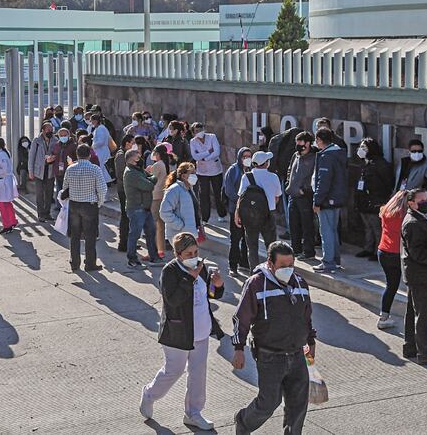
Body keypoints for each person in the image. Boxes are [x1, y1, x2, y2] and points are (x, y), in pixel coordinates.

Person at [140, 232, 224, 430]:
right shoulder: (170, 272)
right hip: (177, 332)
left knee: (198, 373)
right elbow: (173, 300)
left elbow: (209, 294)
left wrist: (218, 286)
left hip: (201, 330)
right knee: (174, 370)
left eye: (196, 252)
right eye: (188, 253)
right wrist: (189, 278)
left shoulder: (200, 268)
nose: (194, 256)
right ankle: (150, 394)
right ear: (178, 254)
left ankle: (193, 413)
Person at [232, 242, 315, 435]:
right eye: (283, 266)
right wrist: (238, 348)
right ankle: (243, 421)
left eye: (291, 265)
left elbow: (306, 316)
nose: (288, 270)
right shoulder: (256, 284)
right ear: (270, 263)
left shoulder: (300, 284)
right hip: (270, 356)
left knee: (298, 404)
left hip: (297, 354)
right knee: (268, 403)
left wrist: (311, 340)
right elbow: (241, 318)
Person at [401, 188, 427, 365]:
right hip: (421, 274)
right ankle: (426, 354)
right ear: (411, 203)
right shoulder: (412, 223)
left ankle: (410, 347)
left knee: (413, 312)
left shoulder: (421, 218)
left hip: (418, 273)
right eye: (421, 200)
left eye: (426, 199)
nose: (426, 202)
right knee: (423, 315)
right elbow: (418, 253)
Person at [63, 143, 108, 272]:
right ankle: (90, 263)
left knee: (75, 235)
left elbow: (65, 187)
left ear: (77, 155)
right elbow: (102, 189)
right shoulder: (95, 169)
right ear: (89, 155)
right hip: (89, 205)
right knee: (90, 236)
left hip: (74, 204)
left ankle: (75, 263)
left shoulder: (70, 169)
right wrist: (99, 203)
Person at [236, 151, 281, 270]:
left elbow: (241, 197)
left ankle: (255, 273)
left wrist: (238, 214)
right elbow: (277, 197)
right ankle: (272, 271)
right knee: (271, 246)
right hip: (268, 215)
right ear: (266, 163)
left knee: (252, 247)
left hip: (250, 215)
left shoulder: (247, 176)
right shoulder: (273, 177)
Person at [313, 127, 347, 273]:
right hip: (337, 198)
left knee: (326, 231)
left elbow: (323, 181)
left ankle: (328, 261)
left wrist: (317, 201)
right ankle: (335, 260)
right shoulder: (339, 153)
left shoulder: (326, 157)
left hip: (327, 200)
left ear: (319, 140)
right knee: (333, 230)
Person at [355, 137, 394, 259]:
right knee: (368, 227)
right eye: (361, 147)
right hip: (364, 201)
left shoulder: (381, 164)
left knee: (377, 228)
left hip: (376, 201)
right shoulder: (365, 163)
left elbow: (388, 184)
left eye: (364, 147)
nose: (361, 150)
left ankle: (378, 251)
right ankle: (368, 248)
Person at [122, 148, 160, 269]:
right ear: (131, 160)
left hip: (145, 207)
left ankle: (154, 257)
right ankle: (132, 260)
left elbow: (152, 177)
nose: (140, 160)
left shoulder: (138, 170)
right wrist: (150, 179)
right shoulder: (131, 173)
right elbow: (148, 185)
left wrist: (150, 178)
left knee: (151, 232)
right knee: (135, 234)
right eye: (137, 158)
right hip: (137, 208)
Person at [376, 191, 408, 331]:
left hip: (383, 251)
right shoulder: (405, 216)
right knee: (410, 285)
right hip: (397, 253)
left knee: (391, 285)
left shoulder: (385, 212)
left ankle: (384, 316)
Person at [286, 132, 317, 260]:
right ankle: (296, 249)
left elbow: (315, 177)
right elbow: (290, 170)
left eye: (301, 142)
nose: (298, 145)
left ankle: (309, 251)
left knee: (307, 224)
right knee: (293, 224)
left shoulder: (314, 157)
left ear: (308, 143)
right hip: (292, 194)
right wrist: (289, 183)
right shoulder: (296, 155)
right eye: (297, 142)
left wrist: (305, 190)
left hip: (305, 196)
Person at [224, 147, 252, 276]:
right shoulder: (233, 170)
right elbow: (229, 191)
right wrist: (241, 201)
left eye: (249, 156)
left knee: (247, 239)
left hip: (250, 211)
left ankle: (245, 263)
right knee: (235, 239)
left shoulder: (252, 170)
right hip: (235, 209)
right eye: (244, 156)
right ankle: (233, 265)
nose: (247, 159)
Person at [189, 122, 226, 222]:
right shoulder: (193, 142)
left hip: (215, 170)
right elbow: (195, 156)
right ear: (193, 133)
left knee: (218, 193)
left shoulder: (212, 137)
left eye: (201, 130)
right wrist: (208, 152)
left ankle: (221, 214)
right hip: (202, 171)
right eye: (196, 131)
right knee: (204, 194)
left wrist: (204, 157)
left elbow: (216, 152)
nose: (199, 132)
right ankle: (205, 218)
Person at [160, 162, 200, 241]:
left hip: (190, 234)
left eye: (195, 173)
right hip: (179, 235)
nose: (194, 175)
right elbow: (164, 212)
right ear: (183, 176)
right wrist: (180, 226)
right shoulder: (174, 189)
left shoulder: (190, 189)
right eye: (191, 173)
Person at [28, 122, 58, 222]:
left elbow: (57, 153)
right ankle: (41, 214)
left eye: (51, 129)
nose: (50, 131)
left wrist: (52, 158)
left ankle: (47, 213)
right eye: (48, 129)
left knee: (49, 194)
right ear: (43, 130)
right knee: (39, 194)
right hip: (38, 171)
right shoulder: (36, 141)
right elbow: (31, 157)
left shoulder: (55, 140)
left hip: (50, 171)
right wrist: (30, 171)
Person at [148, 144, 172, 261]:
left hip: (155, 196)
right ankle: (160, 250)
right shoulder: (164, 164)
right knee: (160, 226)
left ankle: (155, 250)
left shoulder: (158, 165)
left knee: (155, 226)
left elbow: (150, 178)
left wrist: (147, 170)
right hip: (161, 195)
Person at [0, 137, 19, 234]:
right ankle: (13, 221)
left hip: (3, 182)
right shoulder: (5, 153)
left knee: (3, 204)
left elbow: (5, 169)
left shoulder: (1, 155)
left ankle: (7, 225)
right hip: (5, 181)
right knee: (8, 203)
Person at [113, 135, 134, 253]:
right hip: (124, 189)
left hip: (129, 188)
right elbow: (121, 173)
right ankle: (123, 243)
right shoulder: (121, 155)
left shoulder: (127, 154)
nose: (133, 145)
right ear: (127, 143)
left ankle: (129, 242)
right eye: (132, 142)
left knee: (130, 216)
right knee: (125, 216)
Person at [50, 126, 77, 201]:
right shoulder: (56, 145)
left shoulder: (73, 145)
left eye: (65, 135)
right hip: (58, 171)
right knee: (59, 189)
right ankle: (59, 205)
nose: (63, 137)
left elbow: (77, 158)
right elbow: (53, 155)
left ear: (68, 135)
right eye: (61, 135)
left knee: (68, 190)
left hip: (69, 172)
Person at [90, 114, 113, 185]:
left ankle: (105, 182)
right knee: (102, 167)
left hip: (102, 151)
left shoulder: (101, 128)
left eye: (92, 121)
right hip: (100, 151)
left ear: (96, 121)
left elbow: (101, 141)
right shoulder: (99, 128)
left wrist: (92, 146)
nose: (91, 122)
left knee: (103, 167)